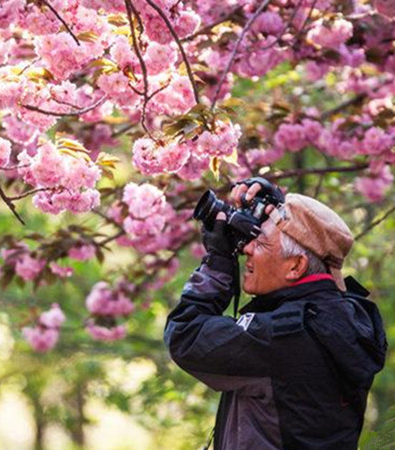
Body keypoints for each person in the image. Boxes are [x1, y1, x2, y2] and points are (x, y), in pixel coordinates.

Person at [164, 181, 387, 450]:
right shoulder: (346, 320)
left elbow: (184, 335)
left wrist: (218, 264)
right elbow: (323, 283)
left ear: (295, 266)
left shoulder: (282, 337)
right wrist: (280, 207)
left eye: (260, 242)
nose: (247, 248)